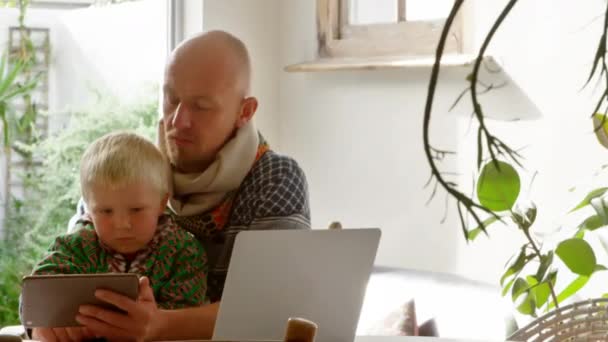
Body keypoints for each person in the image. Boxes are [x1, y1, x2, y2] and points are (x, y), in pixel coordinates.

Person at [68, 30, 310, 341]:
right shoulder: (133, 163)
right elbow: (69, 262)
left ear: (245, 111)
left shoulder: (274, 178)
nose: (177, 121)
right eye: (171, 98)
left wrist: (161, 325)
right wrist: (51, 319)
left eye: (202, 106)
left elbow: (274, 307)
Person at [29, 132, 208, 342]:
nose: (122, 224)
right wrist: (46, 324)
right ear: (88, 209)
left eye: (136, 210)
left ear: (161, 204)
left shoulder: (184, 252)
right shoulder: (74, 246)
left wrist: (155, 318)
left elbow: (185, 320)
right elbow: (35, 294)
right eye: (105, 211)